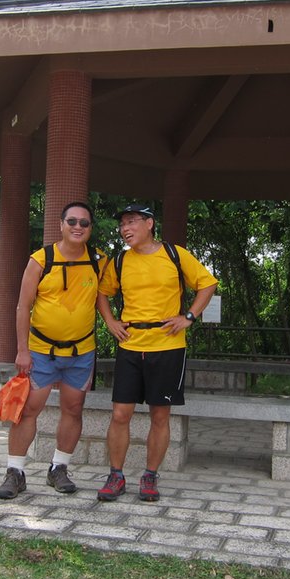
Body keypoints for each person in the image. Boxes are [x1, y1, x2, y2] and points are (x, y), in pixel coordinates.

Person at [95, 205, 218, 503]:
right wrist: (110, 322)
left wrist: (189, 316)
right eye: (122, 224)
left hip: (168, 346)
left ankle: (150, 476)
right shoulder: (120, 260)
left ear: (149, 223)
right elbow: (102, 293)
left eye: (131, 222)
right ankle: (116, 475)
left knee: (160, 415)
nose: (125, 229)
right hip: (130, 344)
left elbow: (208, 284)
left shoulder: (175, 254)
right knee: (120, 414)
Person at [0, 202, 110, 500]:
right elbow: (23, 306)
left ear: (90, 228)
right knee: (28, 410)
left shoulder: (99, 260)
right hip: (41, 351)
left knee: (73, 409)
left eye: (84, 223)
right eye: (72, 221)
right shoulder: (41, 259)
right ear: (61, 225)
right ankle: (15, 472)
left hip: (81, 351)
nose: (78, 227)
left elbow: (103, 297)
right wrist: (22, 350)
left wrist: (113, 323)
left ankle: (59, 468)